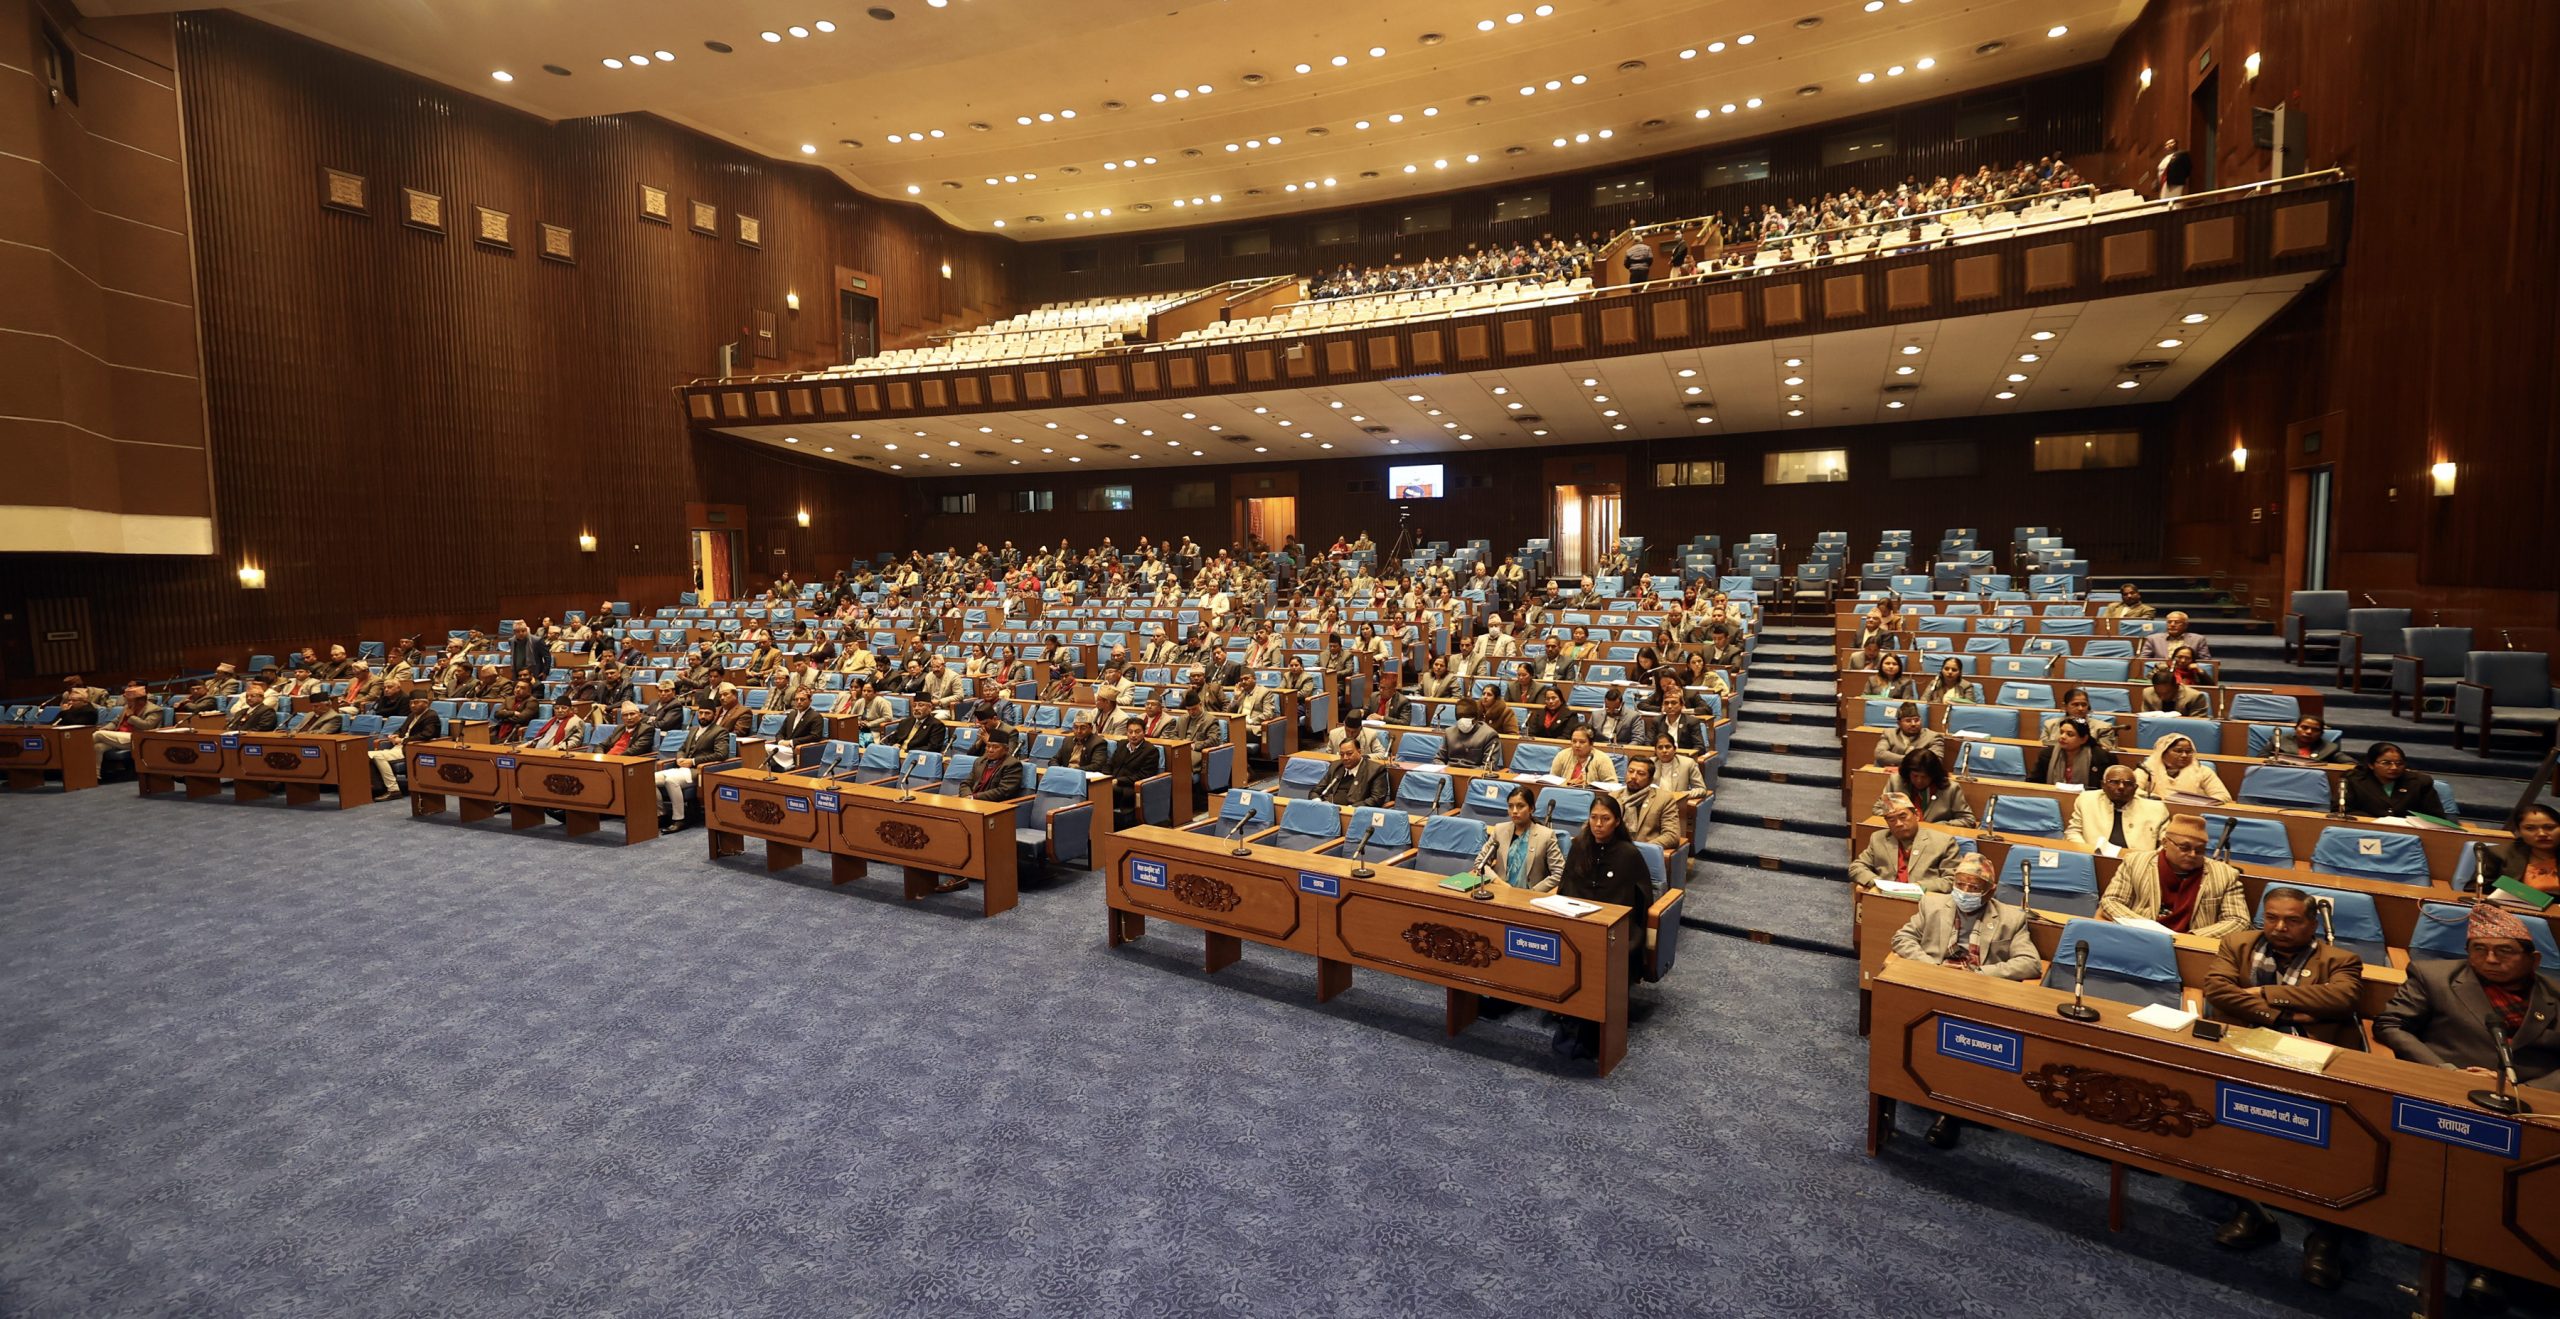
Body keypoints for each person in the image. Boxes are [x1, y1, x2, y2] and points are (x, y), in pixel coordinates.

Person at [2379, 902, 2560, 1309]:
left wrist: (2522, 1092)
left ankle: (2492, 1262)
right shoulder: (2435, 976)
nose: (2489, 959)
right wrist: (2446, 1072)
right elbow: (2391, 1025)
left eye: (2503, 951)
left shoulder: (2556, 996)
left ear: (2533, 958)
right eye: (2478, 949)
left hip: (2531, 1107)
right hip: (2445, 1094)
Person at [2200, 885, 2367, 1288]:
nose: (2279, 927)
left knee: (2323, 1144)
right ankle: (2251, 1208)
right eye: (2272, 918)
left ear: (2312, 923)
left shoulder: (2341, 959)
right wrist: (2280, 1014)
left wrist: (2264, 992)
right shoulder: (2236, 943)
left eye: (2292, 920)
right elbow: (2217, 990)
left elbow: (2342, 998)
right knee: (2230, 1125)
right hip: (2245, 1048)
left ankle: (2325, 1234)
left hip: (2314, 1059)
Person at [1890, 852, 2042, 1148]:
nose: (1966, 892)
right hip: (1932, 984)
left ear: (1990, 891)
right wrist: (1930, 968)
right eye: (1961, 884)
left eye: (1974, 888)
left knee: (1965, 1039)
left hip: (1979, 992)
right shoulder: (1932, 904)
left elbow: (2030, 963)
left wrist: (1983, 974)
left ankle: (1951, 1110)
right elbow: (1901, 939)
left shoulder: (2011, 918)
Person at [1551, 791, 1654, 1059]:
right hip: (1579, 921)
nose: (1598, 824)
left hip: (1617, 928)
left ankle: (1593, 1017)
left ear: (1617, 822)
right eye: (1594, 818)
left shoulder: (1629, 854)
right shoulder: (1579, 846)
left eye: (1605, 819)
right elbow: (1566, 887)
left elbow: (1640, 901)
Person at [2099, 815, 2250, 937]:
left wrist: (2193, 937)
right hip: (2141, 937)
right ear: (2165, 843)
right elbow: (2111, 901)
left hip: (2192, 945)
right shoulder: (2136, 862)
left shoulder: (2225, 875)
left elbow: (2238, 920)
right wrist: (2144, 927)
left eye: (2199, 850)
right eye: (2184, 848)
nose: (2192, 854)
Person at [653, 700, 742, 831]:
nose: (703, 716)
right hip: (682, 768)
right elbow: (682, 748)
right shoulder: (693, 730)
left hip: (699, 771)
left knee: (671, 780)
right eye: (700, 713)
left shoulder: (720, 732)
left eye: (707, 713)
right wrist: (680, 758)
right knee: (650, 779)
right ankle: (661, 814)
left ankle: (679, 819)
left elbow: (721, 754)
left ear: (714, 715)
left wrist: (693, 761)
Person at [1849, 795, 1960, 892]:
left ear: (1916, 815)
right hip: (1885, 897)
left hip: (1924, 901)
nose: (1898, 824)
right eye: (1891, 820)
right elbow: (1856, 867)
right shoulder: (1878, 838)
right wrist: (1878, 883)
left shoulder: (1943, 842)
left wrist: (1917, 887)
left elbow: (1952, 880)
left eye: (1903, 817)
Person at [1469, 786, 1565, 892]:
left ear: (1531, 808)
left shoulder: (1546, 835)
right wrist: (1498, 881)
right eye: (1510, 806)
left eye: (1520, 806)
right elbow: (1480, 863)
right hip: (1499, 891)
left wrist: (1534, 892)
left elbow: (1559, 872)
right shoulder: (1499, 830)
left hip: (1529, 896)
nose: (1514, 811)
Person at [2067, 765, 2169, 852]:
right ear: (2103, 785)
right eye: (2114, 782)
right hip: (2093, 857)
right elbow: (2073, 831)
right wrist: (2087, 852)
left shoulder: (2157, 809)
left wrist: (2147, 861)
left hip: (2139, 865)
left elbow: (2166, 843)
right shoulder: (2087, 800)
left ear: (2135, 788)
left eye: (2128, 783)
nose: (2121, 787)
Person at [369, 693, 445, 798]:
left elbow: (427, 735)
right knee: (367, 754)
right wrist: (394, 735)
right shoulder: (411, 715)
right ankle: (377, 787)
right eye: (411, 703)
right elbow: (401, 730)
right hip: (399, 746)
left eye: (416, 702)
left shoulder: (431, 716)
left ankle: (393, 790)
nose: (413, 705)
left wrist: (403, 740)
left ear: (426, 703)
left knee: (378, 756)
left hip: (411, 749)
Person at [2340, 741, 2440, 819]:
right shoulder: (2353, 779)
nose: (2394, 768)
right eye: (2386, 763)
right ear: (2371, 764)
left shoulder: (2420, 782)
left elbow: (2435, 816)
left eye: (2399, 763)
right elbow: (2342, 810)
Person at [2479, 804, 2560, 899]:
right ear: (2519, 831)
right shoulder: (2499, 853)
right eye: (2530, 828)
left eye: (2549, 827)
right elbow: (2475, 889)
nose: (2542, 834)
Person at [89, 683, 162, 777]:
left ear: (140, 701)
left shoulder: (154, 710)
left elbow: (147, 726)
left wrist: (131, 716)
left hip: (137, 738)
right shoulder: (127, 707)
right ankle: (94, 776)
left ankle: (74, 752)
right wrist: (105, 728)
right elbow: (115, 722)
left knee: (99, 734)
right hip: (120, 736)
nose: (127, 703)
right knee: (98, 747)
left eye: (130, 701)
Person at [2139, 733, 2231, 803]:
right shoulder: (2147, 769)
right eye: (2178, 751)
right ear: (2164, 752)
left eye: (2188, 751)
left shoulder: (2202, 771)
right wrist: (2155, 798)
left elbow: (2223, 796)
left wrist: (2198, 803)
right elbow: (2133, 791)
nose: (2184, 755)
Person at [1893, 748, 1974, 828]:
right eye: (1915, 776)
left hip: (1936, 836)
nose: (1919, 781)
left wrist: (1939, 826)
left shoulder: (1951, 789)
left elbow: (1968, 820)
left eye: (1924, 777)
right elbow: (1880, 810)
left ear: (1934, 775)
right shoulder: (1896, 782)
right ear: (1908, 773)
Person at [1619, 758, 1685, 853]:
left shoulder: (1664, 799)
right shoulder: (1614, 797)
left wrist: (1642, 849)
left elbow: (1672, 835)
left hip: (1645, 854)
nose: (1633, 776)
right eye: (1630, 771)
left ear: (1650, 779)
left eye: (1640, 773)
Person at [1312, 736, 1391, 807]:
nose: (1345, 758)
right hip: (1329, 811)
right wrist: (1318, 803)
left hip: (1355, 815)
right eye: (1342, 754)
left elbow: (1376, 799)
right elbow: (1315, 791)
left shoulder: (1375, 770)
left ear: (1360, 752)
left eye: (1349, 753)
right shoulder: (1335, 766)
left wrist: (1351, 809)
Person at [2031, 717, 2107, 789]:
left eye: (2070, 734)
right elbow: (2033, 782)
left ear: (2084, 739)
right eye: (2061, 732)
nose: (2063, 737)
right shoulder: (2047, 754)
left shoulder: (2101, 757)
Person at [2040, 688, 2121, 755]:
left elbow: (2104, 753)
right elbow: (2041, 748)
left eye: (2084, 704)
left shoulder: (2103, 728)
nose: (2080, 708)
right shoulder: (2050, 725)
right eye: (2075, 704)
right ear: (2065, 706)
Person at [764, 689, 828, 769]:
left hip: (798, 750)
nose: (799, 702)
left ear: (810, 701)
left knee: (766, 749)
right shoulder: (791, 714)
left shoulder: (816, 717)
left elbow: (815, 736)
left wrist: (791, 742)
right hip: (783, 748)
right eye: (796, 699)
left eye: (802, 699)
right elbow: (780, 733)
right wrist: (780, 741)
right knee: (762, 748)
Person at [1872, 702, 1944, 767]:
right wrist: (1910, 760)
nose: (1913, 724)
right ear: (1899, 723)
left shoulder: (1933, 737)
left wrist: (1899, 760)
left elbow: (1936, 761)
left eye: (1916, 720)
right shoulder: (1889, 734)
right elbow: (1880, 753)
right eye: (1908, 721)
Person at [2136, 665, 2212, 717]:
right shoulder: (2147, 693)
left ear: (2177, 686)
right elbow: (2145, 719)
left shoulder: (2195, 697)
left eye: (2166, 693)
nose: (2162, 698)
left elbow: (2197, 724)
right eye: (2158, 694)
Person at [1554, 727, 1619, 787]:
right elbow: (1552, 780)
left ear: (1591, 744)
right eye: (1574, 741)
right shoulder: (1562, 755)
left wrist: (1587, 786)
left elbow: (1613, 785)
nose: (1577, 745)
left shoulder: (1602, 759)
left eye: (1582, 742)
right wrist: (1567, 784)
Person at [2265, 715, 2343, 764]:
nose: (2309, 732)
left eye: (2315, 730)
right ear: (2296, 728)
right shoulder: (2278, 741)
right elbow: (2260, 760)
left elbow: (2350, 764)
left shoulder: (2329, 748)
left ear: (2321, 733)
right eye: (2304, 728)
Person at [2141, 611, 2213, 663]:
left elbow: (2206, 662)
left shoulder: (2198, 639)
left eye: (2177, 622)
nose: (2172, 625)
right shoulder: (2153, 639)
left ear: (2185, 625)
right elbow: (2142, 660)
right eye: (2169, 622)